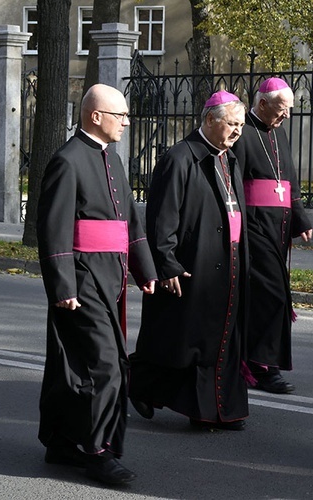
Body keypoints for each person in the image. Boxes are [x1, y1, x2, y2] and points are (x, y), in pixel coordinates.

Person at [36, 83, 157, 486]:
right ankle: (98, 450)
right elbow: (53, 230)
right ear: (95, 117)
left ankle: (62, 440)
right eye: (120, 114)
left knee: (73, 364)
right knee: (106, 365)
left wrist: (146, 269)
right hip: (83, 279)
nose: (126, 120)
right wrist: (63, 285)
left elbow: (130, 223)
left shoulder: (113, 160)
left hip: (112, 276)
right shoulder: (68, 161)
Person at [128, 90, 250, 431]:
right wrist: (165, 263)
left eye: (241, 125)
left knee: (221, 334)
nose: (238, 131)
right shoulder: (179, 158)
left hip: (229, 262)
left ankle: (220, 409)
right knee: (184, 339)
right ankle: (143, 383)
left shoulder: (230, 159)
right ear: (210, 120)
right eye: (232, 123)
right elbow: (161, 219)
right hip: (190, 263)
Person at [232, 77, 313, 394]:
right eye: (282, 110)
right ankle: (263, 368)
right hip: (253, 227)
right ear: (262, 104)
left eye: (289, 110)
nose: (286, 116)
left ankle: (257, 362)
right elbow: (234, 183)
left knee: (270, 296)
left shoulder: (279, 134)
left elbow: (289, 181)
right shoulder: (243, 132)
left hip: (278, 228)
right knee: (273, 295)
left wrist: (300, 218)